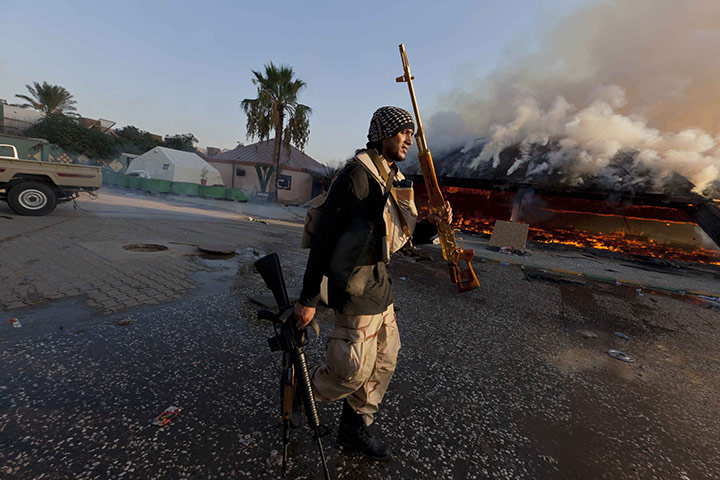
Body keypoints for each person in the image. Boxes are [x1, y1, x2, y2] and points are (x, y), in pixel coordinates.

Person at [293, 106, 451, 461]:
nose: (409, 138)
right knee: (350, 371)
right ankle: (300, 386)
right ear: (383, 134)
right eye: (402, 132)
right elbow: (323, 239)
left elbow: (402, 237)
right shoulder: (356, 175)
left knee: (383, 363)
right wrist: (307, 300)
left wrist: (434, 225)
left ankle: (354, 429)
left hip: (381, 289)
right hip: (354, 287)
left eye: (411, 132)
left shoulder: (390, 177)